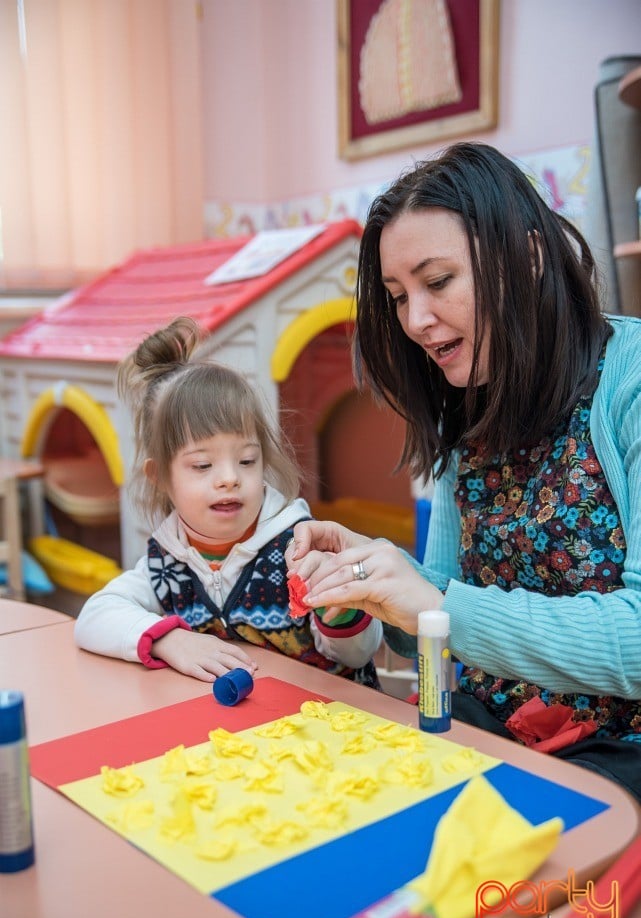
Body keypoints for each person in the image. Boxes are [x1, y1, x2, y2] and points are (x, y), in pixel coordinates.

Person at [285, 141, 641, 801]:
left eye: (438, 281)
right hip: (490, 727)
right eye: (398, 296)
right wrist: (370, 579)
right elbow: (438, 619)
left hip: (620, 751)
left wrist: (436, 603)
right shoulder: (467, 412)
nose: (416, 321)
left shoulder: (631, 381)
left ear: (527, 258)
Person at [74, 317, 382, 686]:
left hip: (327, 714)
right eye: (203, 465)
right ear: (161, 477)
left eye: (246, 461)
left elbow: (357, 655)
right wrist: (170, 640)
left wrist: (342, 612)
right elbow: (94, 617)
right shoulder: (167, 562)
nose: (229, 478)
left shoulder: (299, 545)